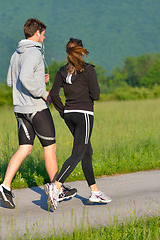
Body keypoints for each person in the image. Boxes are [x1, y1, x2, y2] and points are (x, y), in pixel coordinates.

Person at [0, 18, 76, 209]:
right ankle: (58, 188)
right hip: (37, 108)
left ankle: (5, 186)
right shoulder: (33, 53)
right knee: (50, 148)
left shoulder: (16, 54)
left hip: (20, 109)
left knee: (25, 148)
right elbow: (24, 77)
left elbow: (11, 81)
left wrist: (39, 78)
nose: (45, 37)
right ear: (37, 33)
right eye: (44, 33)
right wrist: (43, 92)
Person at [46, 38, 112, 210]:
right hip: (84, 115)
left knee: (86, 151)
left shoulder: (61, 71)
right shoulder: (88, 70)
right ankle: (56, 186)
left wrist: (63, 112)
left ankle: (95, 191)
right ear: (82, 52)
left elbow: (53, 94)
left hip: (69, 115)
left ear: (67, 53)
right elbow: (96, 95)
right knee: (78, 153)